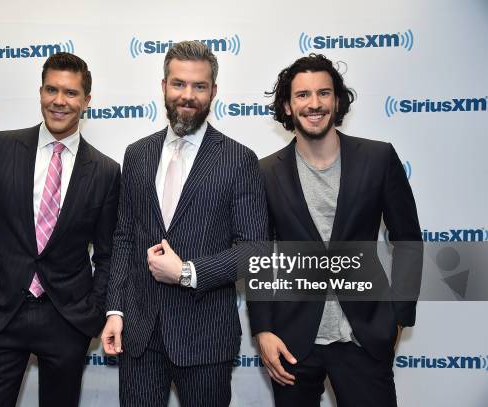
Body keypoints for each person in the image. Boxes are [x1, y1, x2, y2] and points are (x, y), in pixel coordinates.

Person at [248, 53, 422, 406]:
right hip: (292, 341)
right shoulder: (264, 173)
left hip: (364, 337)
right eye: (302, 95)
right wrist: (263, 329)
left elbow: (408, 241)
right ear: (287, 105)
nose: (314, 104)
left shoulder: (378, 158)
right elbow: (259, 256)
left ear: (337, 100)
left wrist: (398, 316)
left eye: (323, 93)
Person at [100, 41, 268, 406]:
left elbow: (255, 250)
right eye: (178, 84)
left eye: (199, 86)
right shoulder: (137, 154)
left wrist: (187, 272)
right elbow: (125, 237)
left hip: (205, 337)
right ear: (163, 87)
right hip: (140, 335)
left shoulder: (239, 160)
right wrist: (115, 310)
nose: (187, 95)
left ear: (214, 92)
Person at [0, 52, 120, 407]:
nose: (60, 101)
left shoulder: (106, 171)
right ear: (41, 92)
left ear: (86, 101)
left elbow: (108, 253)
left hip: (66, 319)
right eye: (52, 89)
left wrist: (92, 310)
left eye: (71, 93)